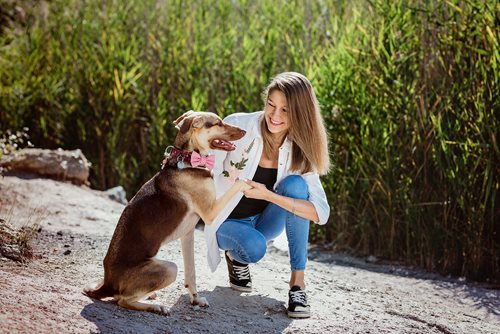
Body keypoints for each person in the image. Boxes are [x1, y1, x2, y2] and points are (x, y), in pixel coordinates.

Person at [204, 71, 330, 319]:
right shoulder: (239, 127)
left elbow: (321, 213)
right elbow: (207, 169)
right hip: (225, 221)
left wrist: (268, 196)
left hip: (264, 223)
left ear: (300, 113)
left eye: (285, 110)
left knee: (296, 186)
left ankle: (297, 286)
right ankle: (236, 256)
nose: (274, 115)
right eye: (271, 105)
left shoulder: (299, 150)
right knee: (254, 248)